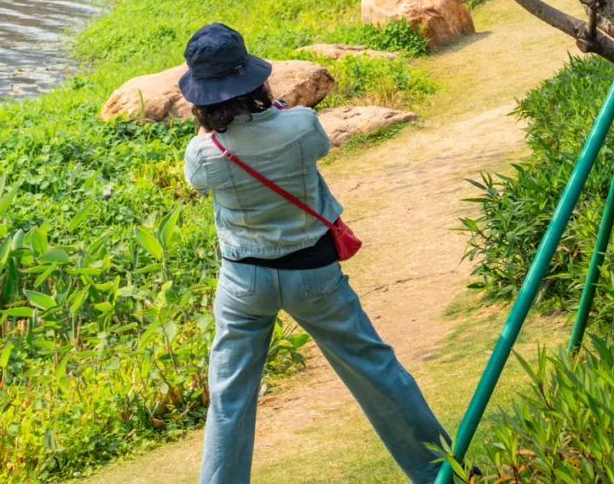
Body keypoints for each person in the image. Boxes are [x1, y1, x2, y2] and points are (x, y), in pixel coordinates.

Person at [181, 24, 447, 484]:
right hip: (313, 275)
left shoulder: (204, 153)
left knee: (230, 398)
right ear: (254, 79)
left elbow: (199, 183)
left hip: (244, 283)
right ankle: (441, 473)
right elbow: (314, 145)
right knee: (376, 369)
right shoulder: (302, 125)